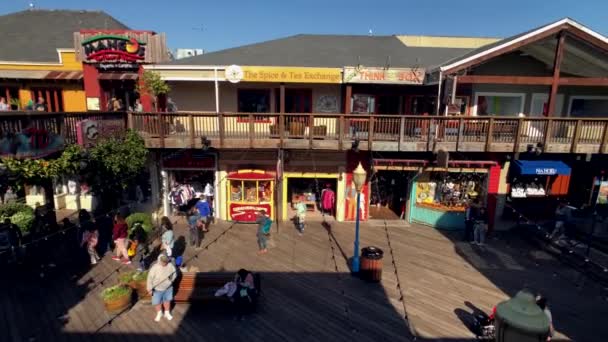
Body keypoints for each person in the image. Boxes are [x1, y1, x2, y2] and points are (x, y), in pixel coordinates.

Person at [147, 254, 177, 322]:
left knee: (167, 301)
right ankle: (159, 313)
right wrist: (149, 288)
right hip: (157, 289)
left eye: (166, 262)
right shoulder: (154, 268)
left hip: (168, 288)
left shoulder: (170, 266)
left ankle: (167, 312)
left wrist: (171, 279)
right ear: (159, 261)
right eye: (163, 262)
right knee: (157, 302)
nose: (165, 263)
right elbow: (149, 279)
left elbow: (174, 274)